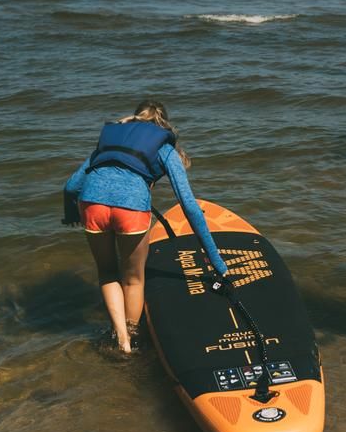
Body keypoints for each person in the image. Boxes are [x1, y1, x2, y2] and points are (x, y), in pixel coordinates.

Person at [63, 100, 229, 354]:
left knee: (108, 273)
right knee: (133, 280)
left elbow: (72, 186)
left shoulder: (112, 141)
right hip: (131, 208)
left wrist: (71, 213)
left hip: (91, 203)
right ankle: (131, 335)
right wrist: (217, 262)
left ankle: (121, 339)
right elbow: (189, 206)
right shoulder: (163, 147)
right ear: (162, 122)